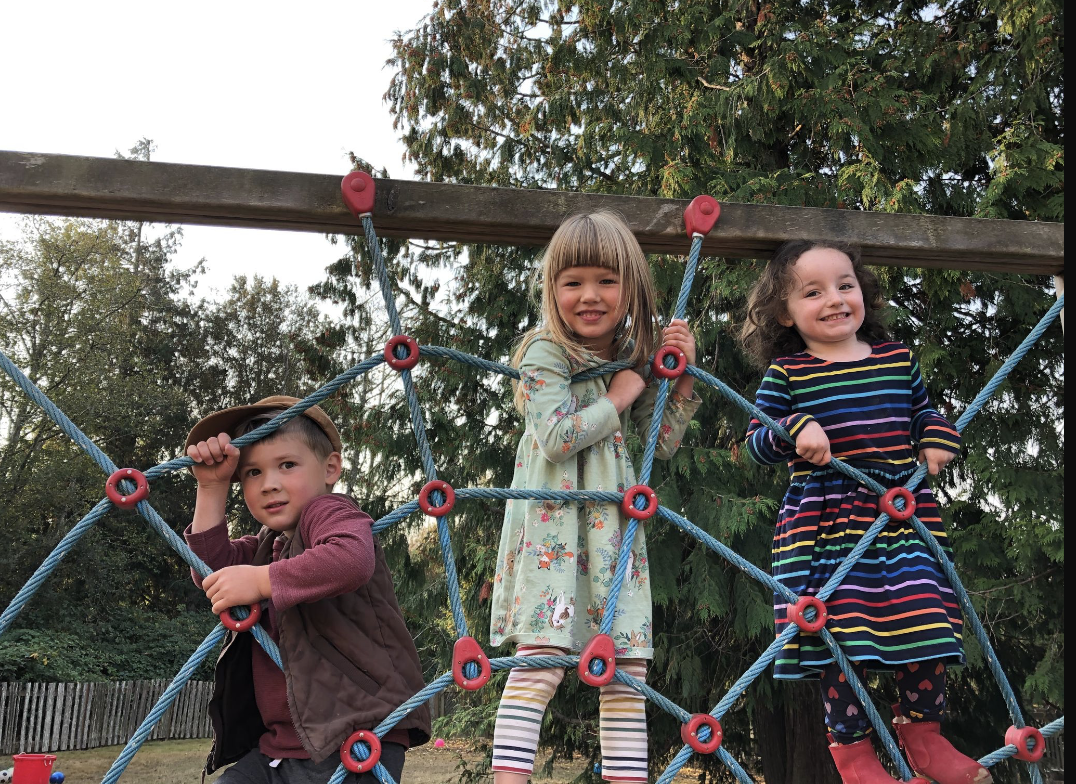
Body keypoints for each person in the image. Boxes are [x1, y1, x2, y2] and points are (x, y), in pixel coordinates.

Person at [740, 241, 991, 784]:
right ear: (785, 313)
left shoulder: (897, 358)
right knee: (838, 630)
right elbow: (755, 439)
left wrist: (936, 437)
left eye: (845, 284)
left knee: (924, 615)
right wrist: (795, 429)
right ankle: (852, 752)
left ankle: (924, 734)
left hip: (902, 516)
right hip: (827, 526)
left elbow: (924, 410)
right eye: (814, 292)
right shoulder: (789, 373)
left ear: (863, 292)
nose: (835, 299)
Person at [488, 212, 702, 784]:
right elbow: (558, 437)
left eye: (607, 281)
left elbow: (664, 444)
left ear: (630, 288)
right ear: (551, 288)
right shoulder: (542, 351)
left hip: (611, 534)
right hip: (553, 535)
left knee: (626, 668)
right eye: (573, 282)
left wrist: (678, 381)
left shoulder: (629, 357)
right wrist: (624, 391)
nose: (590, 296)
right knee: (542, 664)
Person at [184, 396, 430, 784]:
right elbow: (212, 572)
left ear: (330, 468)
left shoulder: (329, 512)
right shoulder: (266, 545)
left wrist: (262, 580)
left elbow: (351, 558)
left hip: (355, 736)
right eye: (251, 473)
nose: (269, 484)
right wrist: (212, 488)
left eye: (287, 465)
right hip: (279, 746)